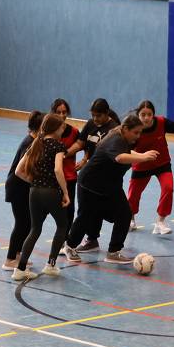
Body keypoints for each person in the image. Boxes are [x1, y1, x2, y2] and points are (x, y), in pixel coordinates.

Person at [63, 113, 157, 265]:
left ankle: (113, 252)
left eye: (140, 133)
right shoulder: (115, 139)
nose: (138, 136)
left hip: (109, 186)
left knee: (125, 214)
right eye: (135, 132)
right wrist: (143, 157)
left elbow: (127, 153)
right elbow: (120, 157)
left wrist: (141, 154)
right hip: (90, 184)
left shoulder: (125, 139)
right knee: (86, 216)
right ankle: (69, 246)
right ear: (125, 129)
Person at [11, 114, 71, 281]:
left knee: (35, 229)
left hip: (34, 192)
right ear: (55, 129)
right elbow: (58, 170)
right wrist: (65, 192)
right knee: (62, 225)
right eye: (62, 128)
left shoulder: (36, 143)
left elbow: (18, 171)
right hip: (51, 192)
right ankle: (51, 264)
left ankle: (20, 269)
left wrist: (34, 181)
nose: (63, 131)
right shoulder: (58, 145)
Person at [127, 100, 174, 235]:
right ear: (138, 115)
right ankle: (131, 219)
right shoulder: (134, 128)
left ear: (153, 115)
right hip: (141, 164)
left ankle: (160, 222)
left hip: (162, 163)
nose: (146, 118)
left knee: (168, 188)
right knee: (133, 194)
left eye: (149, 114)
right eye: (143, 114)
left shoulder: (161, 122)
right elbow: (128, 150)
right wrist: (143, 156)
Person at [3, 110, 44, 271]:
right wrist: (37, 182)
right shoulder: (29, 144)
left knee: (27, 223)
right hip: (17, 188)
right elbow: (21, 171)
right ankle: (9, 259)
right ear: (39, 127)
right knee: (21, 223)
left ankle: (18, 254)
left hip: (23, 188)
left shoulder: (35, 141)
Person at [74, 98, 116, 252]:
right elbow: (84, 143)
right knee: (85, 209)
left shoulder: (114, 129)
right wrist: (81, 158)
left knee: (97, 210)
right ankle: (91, 239)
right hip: (88, 174)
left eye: (98, 115)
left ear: (107, 113)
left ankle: (75, 243)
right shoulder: (91, 124)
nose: (95, 118)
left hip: (103, 176)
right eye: (93, 115)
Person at [51, 98, 84, 233]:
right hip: (51, 178)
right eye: (58, 112)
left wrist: (84, 160)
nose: (62, 115)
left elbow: (86, 145)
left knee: (69, 211)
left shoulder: (74, 132)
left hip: (69, 178)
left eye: (64, 112)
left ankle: (64, 239)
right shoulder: (48, 132)